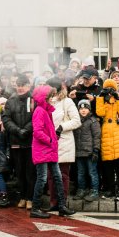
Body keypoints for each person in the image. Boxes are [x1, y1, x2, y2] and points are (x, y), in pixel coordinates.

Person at [28, 84, 76, 219]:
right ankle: (35, 208)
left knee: (57, 177)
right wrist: (50, 140)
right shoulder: (40, 111)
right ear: (45, 98)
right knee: (43, 178)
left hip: (49, 150)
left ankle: (61, 206)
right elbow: (37, 132)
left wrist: (54, 138)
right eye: (51, 96)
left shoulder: (46, 110)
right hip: (44, 150)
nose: (53, 99)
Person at [47, 77, 80, 211]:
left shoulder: (67, 102)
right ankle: (53, 202)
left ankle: (62, 203)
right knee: (50, 175)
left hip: (64, 142)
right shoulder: (47, 102)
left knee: (63, 174)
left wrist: (61, 127)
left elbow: (77, 121)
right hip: (49, 142)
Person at [3, 75, 35, 209]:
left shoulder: (34, 100)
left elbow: (36, 117)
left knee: (30, 171)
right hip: (15, 140)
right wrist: (17, 130)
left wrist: (26, 130)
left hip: (30, 141)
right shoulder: (10, 101)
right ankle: (22, 196)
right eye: (18, 85)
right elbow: (6, 118)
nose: (21, 87)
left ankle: (30, 198)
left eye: (23, 85)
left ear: (28, 85)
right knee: (19, 171)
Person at [72, 99, 101, 201]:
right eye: (81, 108)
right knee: (80, 172)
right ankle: (81, 189)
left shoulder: (93, 121)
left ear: (89, 109)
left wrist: (96, 150)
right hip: (79, 152)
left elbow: (97, 137)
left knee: (92, 172)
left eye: (85, 108)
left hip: (90, 152)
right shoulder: (76, 121)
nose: (83, 110)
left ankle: (95, 191)